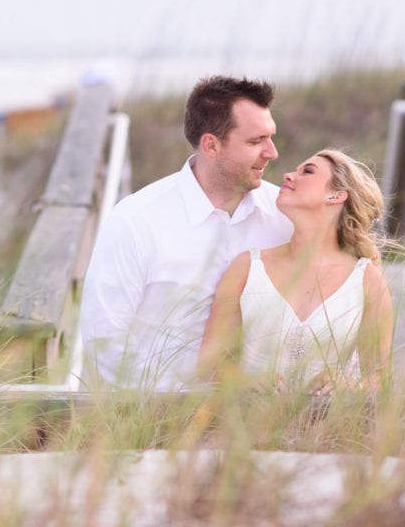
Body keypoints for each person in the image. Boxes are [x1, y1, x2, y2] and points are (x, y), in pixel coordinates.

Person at [79, 76, 294, 390]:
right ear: (211, 145)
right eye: (255, 141)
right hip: (155, 416)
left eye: (270, 137)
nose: (272, 152)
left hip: (263, 418)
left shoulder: (284, 215)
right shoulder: (136, 220)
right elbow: (104, 339)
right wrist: (171, 409)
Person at [198, 149, 394, 393]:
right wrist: (243, 380)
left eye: (308, 171)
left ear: (336, 195)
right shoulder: (247, 267)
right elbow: (208, 362)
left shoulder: (367, 280)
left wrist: (350, 385)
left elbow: (380, 377)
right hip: (248, 423)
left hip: (330, 428)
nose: (289, 175)